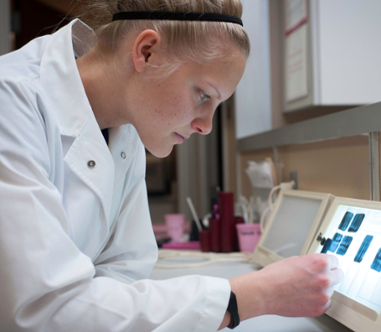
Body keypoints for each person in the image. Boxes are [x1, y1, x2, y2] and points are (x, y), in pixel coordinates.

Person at [0, 0, 344, 330]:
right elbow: (42, 310)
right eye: (203, 95)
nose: (206, 125)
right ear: (146, 52)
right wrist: (251, 296)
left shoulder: (127, 125)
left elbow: (125, 271)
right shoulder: (10, 102)